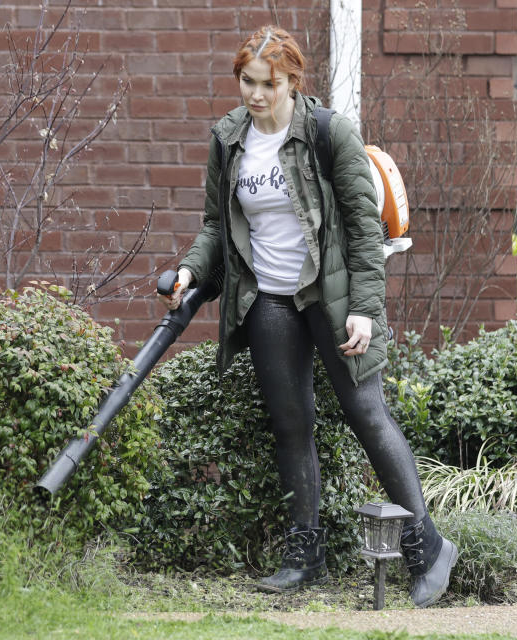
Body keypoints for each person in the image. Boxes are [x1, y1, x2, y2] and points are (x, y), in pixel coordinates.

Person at [158, 25, 457, 607]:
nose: (255, 94)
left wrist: (366, 311)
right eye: (247, 81)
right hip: (267, 297)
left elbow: (366, 230)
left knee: (367, 413)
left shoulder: (329, 132)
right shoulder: (229, 140)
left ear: (293, 80)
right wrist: (193, 270)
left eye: (268, 83)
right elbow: (217, 227)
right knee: (291, 423)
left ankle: (427, 543)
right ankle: (306, 551)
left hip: (331, 296)